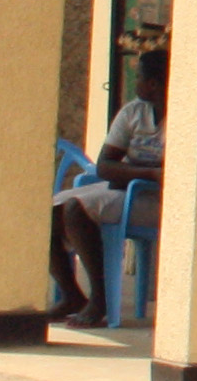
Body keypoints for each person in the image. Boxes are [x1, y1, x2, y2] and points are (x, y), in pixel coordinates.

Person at [50, 49, 166, 327]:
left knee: (76, 210)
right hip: (128, 188)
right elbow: (105, 165)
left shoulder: (185, 117)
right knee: (49, 211)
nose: (135, 83)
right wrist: (149, 171)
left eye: (138, 77)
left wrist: (130, 173)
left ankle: (99, 300)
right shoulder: (133, 112)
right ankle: (71, 295)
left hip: (155, 199)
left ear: (154, 84)